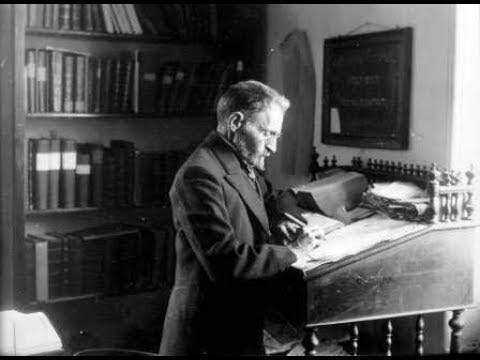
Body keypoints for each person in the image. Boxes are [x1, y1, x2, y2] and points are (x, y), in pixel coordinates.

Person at [159, 80, 322, 356]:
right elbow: (223, 260)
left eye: (277, 137)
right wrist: (293, 251)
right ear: (235, 122)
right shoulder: (199, 174)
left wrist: (276, 226)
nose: (273, 147)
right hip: (207, 334)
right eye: (267, 133)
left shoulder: (237, 161)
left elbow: (257, 205)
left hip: (237, 321)